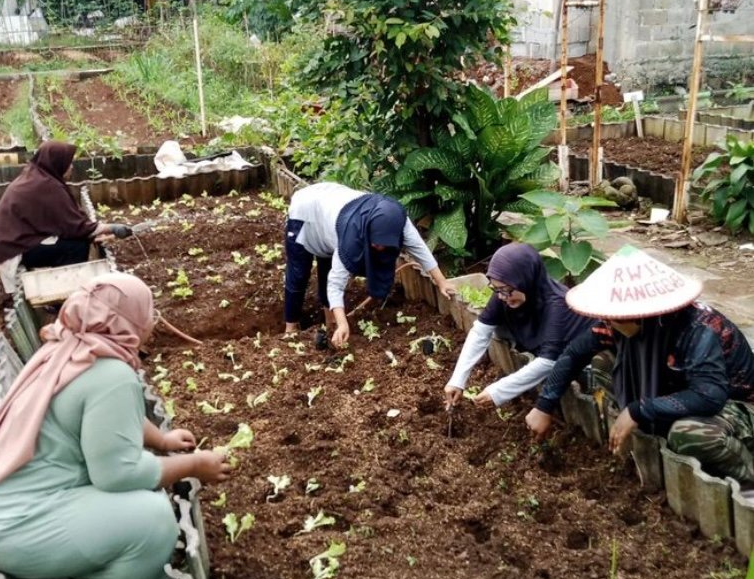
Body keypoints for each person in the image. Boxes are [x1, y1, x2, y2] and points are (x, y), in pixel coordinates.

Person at [0, 272, 230, 579]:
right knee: (152, 517)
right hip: (7, 526)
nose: (153, 322)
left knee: (137, 498)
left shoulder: (69, 348)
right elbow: (117, 474)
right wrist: (194, 465)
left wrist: (160, 440)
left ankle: (101, 568)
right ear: (125, 322)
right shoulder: (110, 373)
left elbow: (104, 413)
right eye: (147, 313)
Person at [524, 245, 754, 483]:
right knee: (599, 364)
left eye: (612, 319)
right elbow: (574, 354)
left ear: (638, 315)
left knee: (689, 434)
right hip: (683, 387)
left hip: (736, 405)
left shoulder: (697, 330)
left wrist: (638, 410)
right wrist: (544, 405)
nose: (607, 323)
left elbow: (709, 396)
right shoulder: (625, 325)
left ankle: (747, 481)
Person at [284, 182, 454, 346]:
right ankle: (290, 329)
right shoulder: (351, 237)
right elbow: (335, 284)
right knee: (299, 274)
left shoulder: (398, 221)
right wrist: (344, 324)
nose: (379, 247)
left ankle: (330, 325)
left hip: (330, 212)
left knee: (326, 268)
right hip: (306, 213)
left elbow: (420, 249)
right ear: (367, 231)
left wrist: (441, 281)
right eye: (375, 242)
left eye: (384, 244)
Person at [444, 243, 589, 409]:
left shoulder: (558, 305)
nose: (502, 297)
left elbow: (548, 362)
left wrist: (497, 391)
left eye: (505, 290)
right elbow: (480, 332)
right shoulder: (505, 293)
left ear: (525, 280)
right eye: (496, 289)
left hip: (581, 364)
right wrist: (457, 380)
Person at [0, 141, 130, 293]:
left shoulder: (36, 175)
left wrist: (93, 233)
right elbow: (75, 227)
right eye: (69, 163)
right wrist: (112, 228)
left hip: (10, 243)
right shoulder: (47, 186)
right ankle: (63, 294)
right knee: (75, 246)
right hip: (13, 250)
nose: (72, 167)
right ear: (56, 162)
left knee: (76, 240)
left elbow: (63, 223)